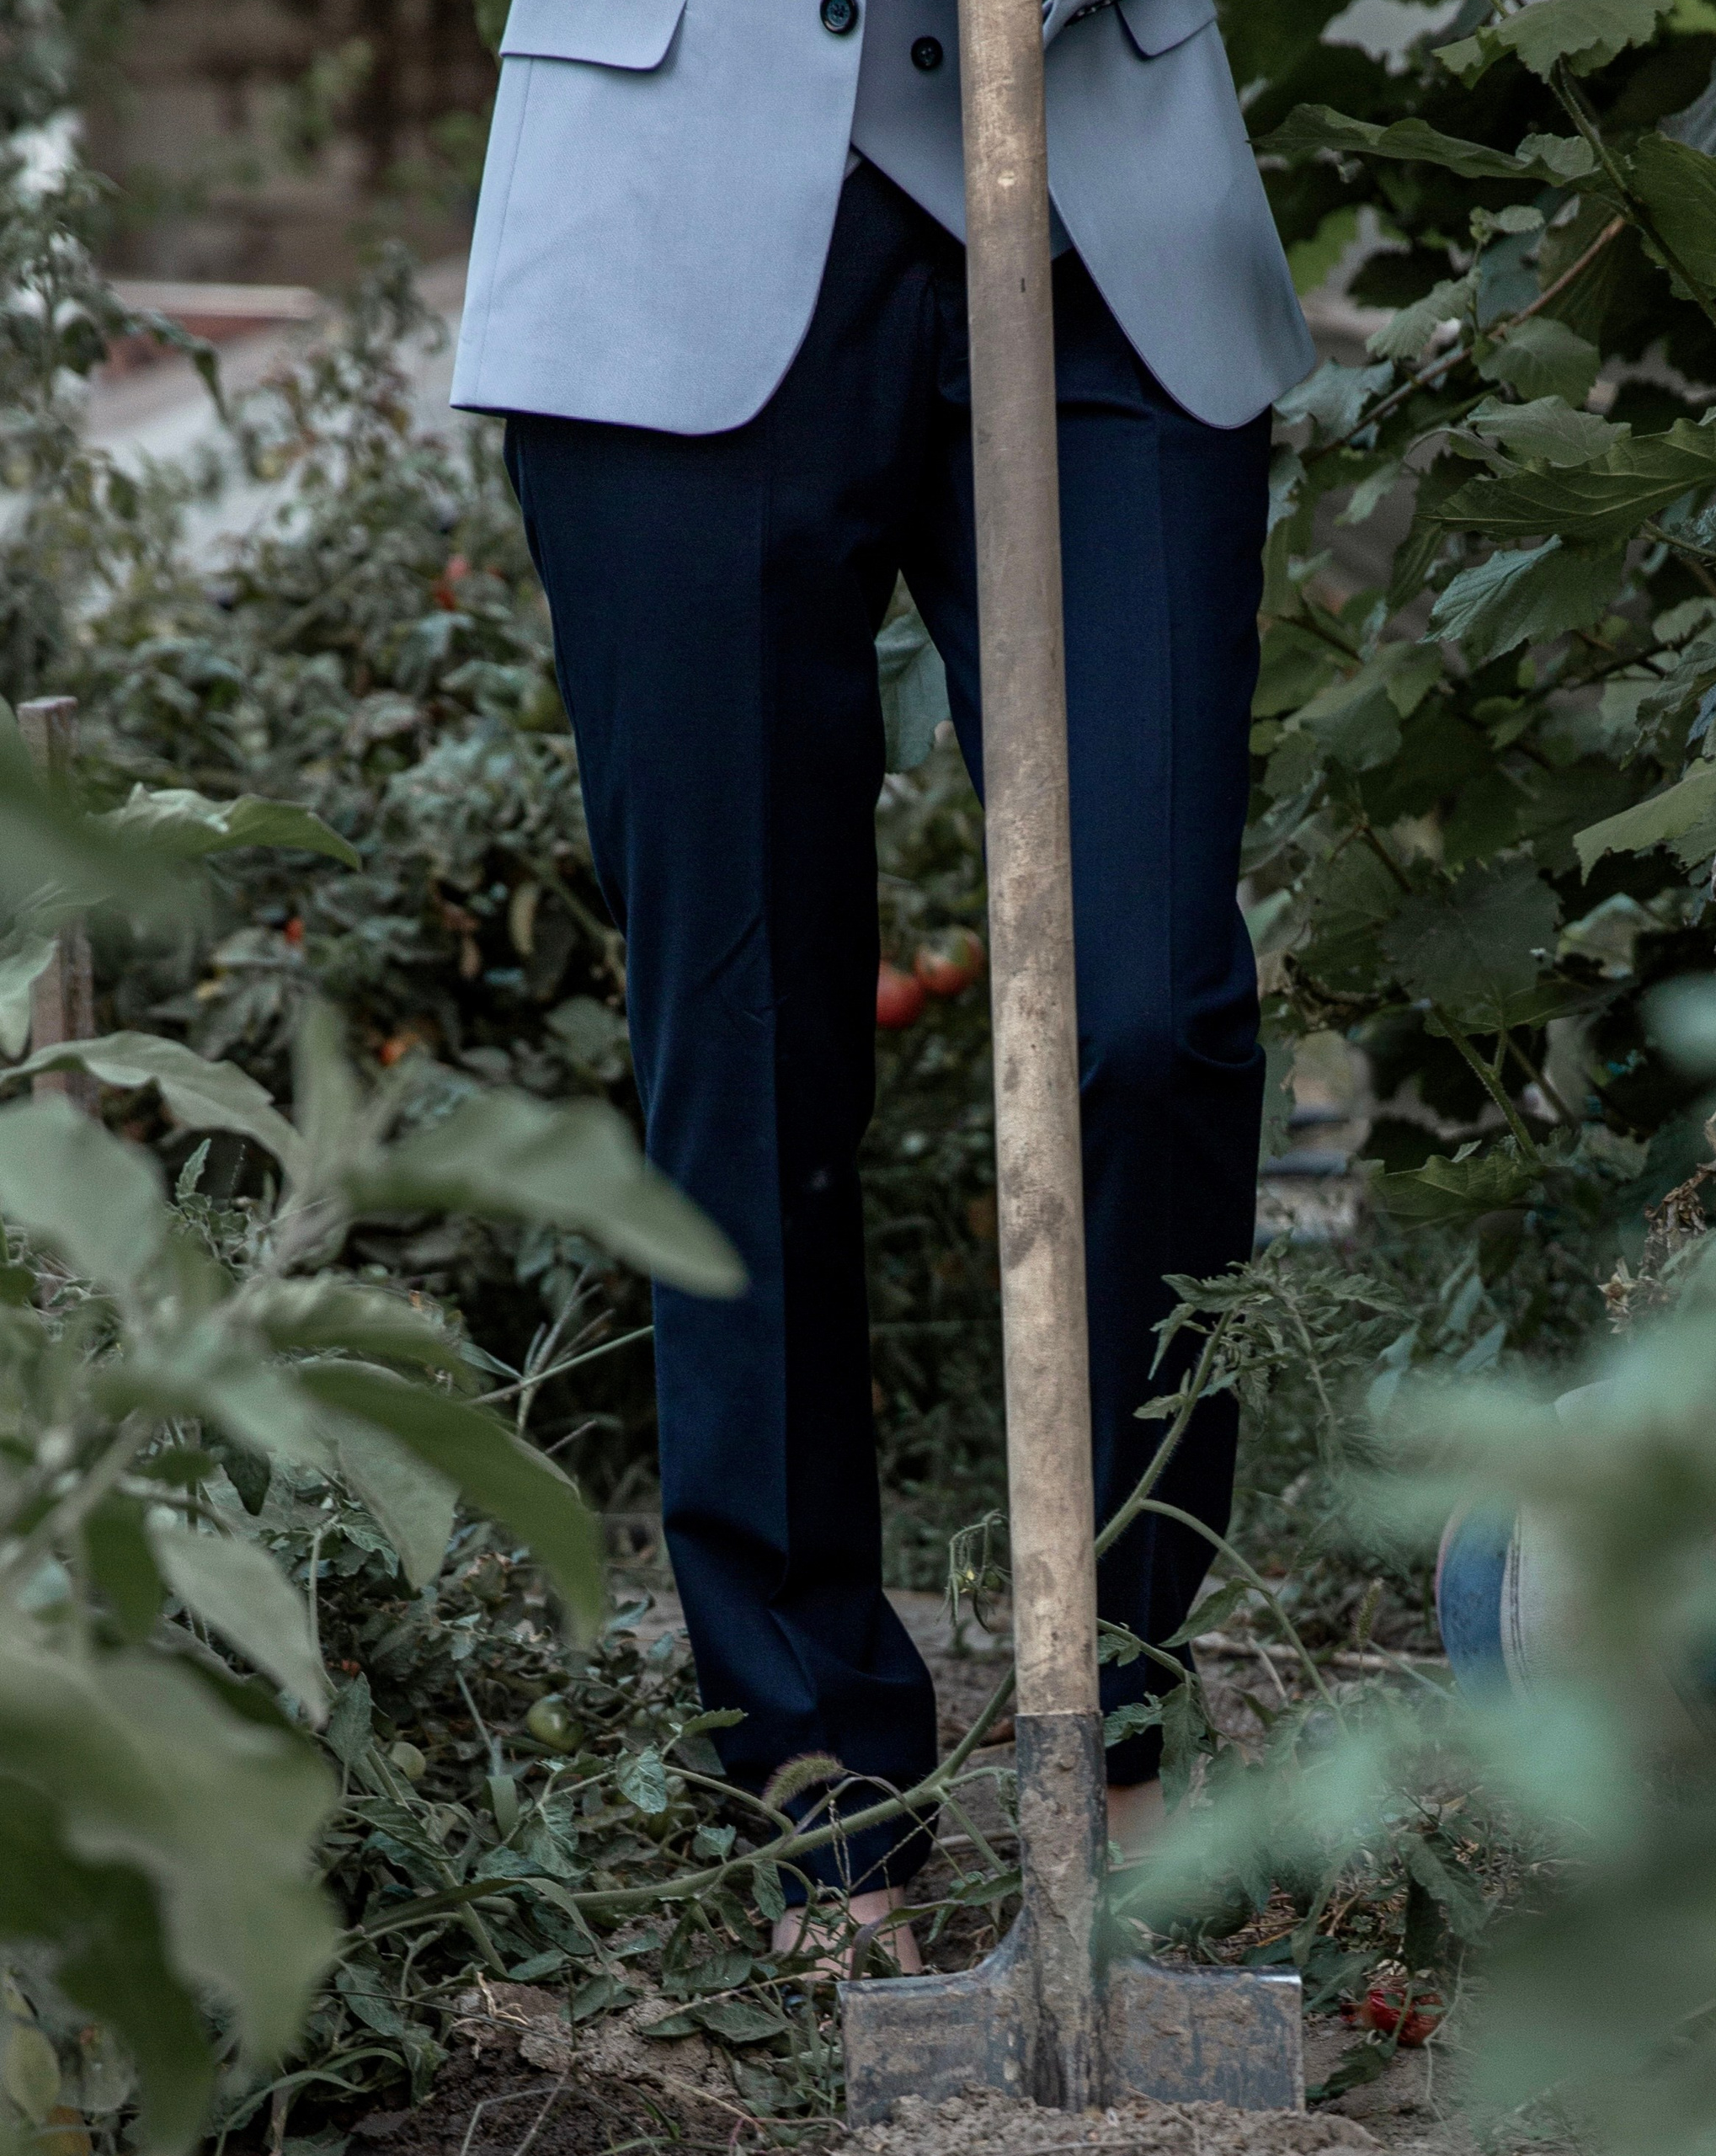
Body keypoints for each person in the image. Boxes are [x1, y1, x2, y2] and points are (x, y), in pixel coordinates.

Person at [451, 0, 1314, 1966]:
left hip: (1106, 205)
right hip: (676, 206)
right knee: (741, 1042)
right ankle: (808, 1756)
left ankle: (1113, 1697)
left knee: (1151, 1002)